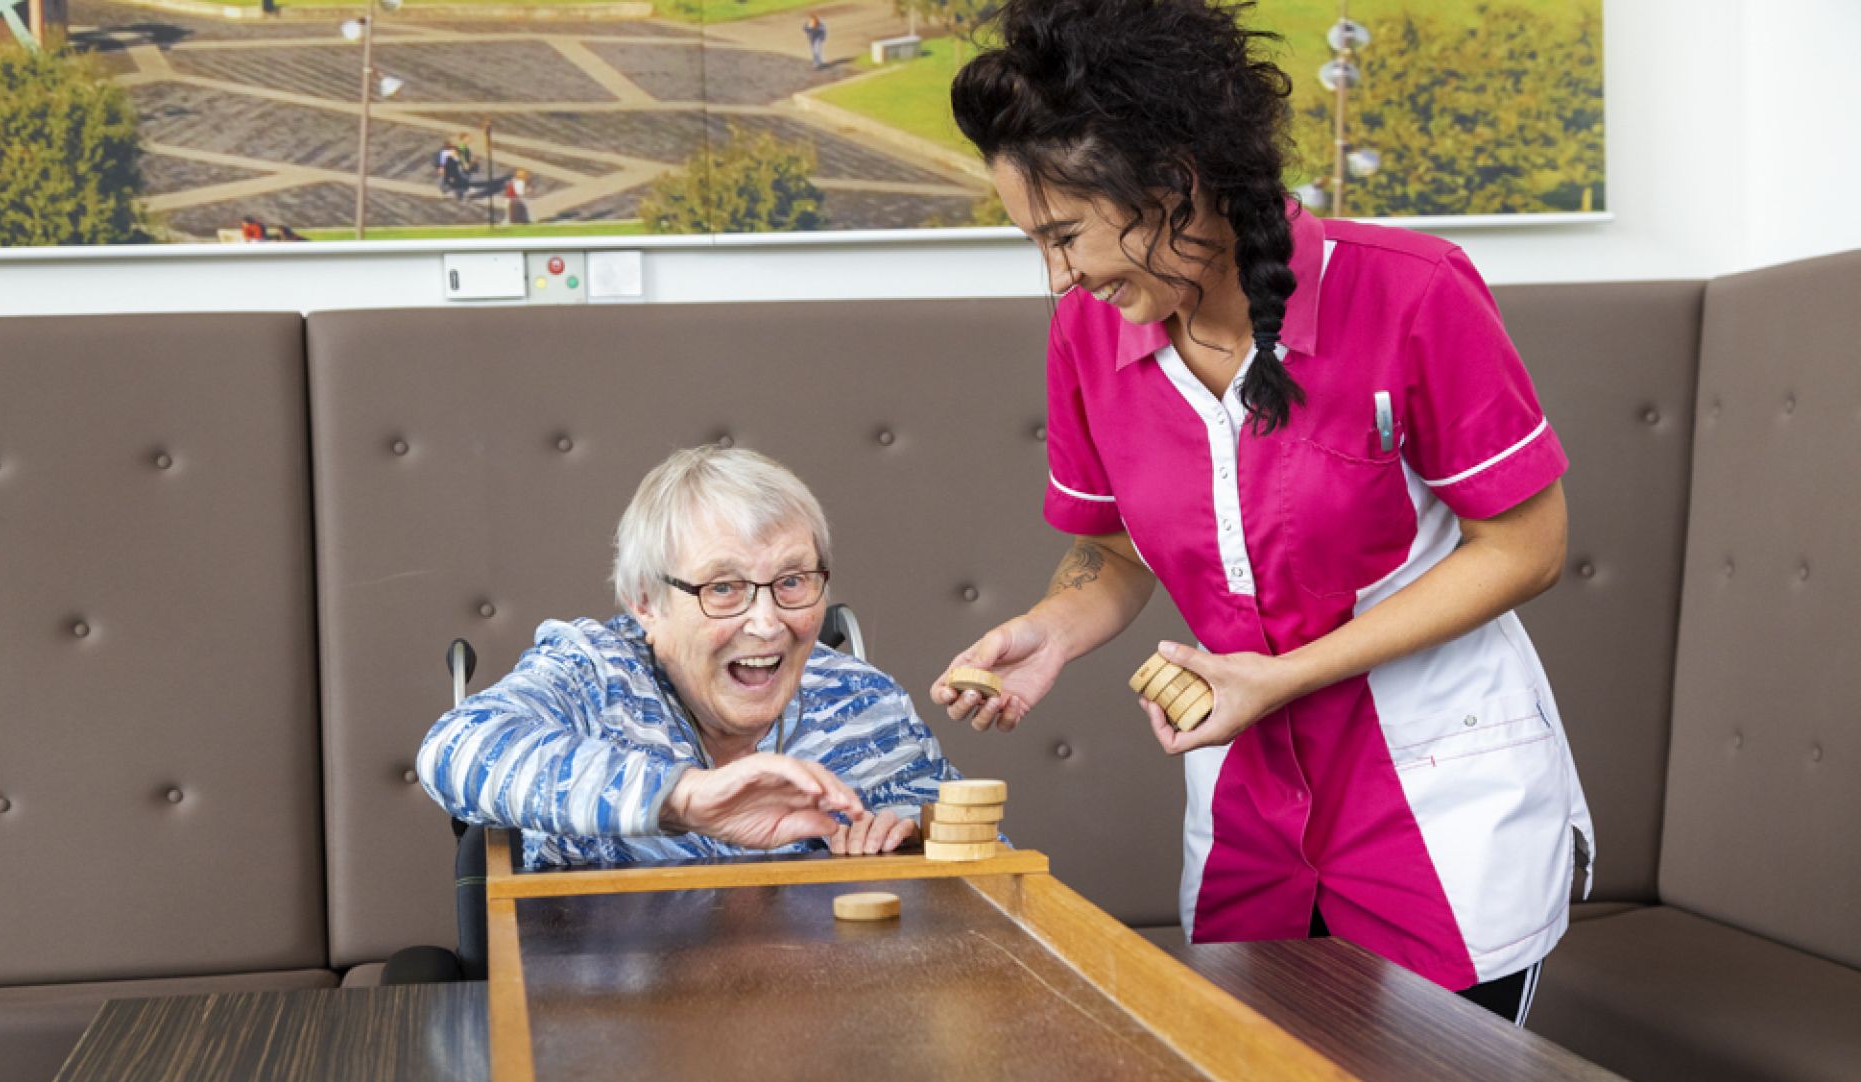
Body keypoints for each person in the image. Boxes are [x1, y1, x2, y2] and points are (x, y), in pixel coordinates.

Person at [933, 0, 1592, 1026]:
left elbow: (1528, 547)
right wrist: (1051, 631)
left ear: (1173, 182)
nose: (1060, 277)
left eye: (1064, 236)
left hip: (1441, 806)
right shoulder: (1086, 337)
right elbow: (1114, 550)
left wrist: (1281, 676)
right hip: (1249, 820)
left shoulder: (1413, 293)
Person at [418, 446, 950, 869]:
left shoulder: (864, 704)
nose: (767, 623)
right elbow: (456, 747)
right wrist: (685, 799)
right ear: (646, 603)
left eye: (792, 581)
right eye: (723, 588)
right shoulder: (596, 677)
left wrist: (917, 838)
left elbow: (966, 840)